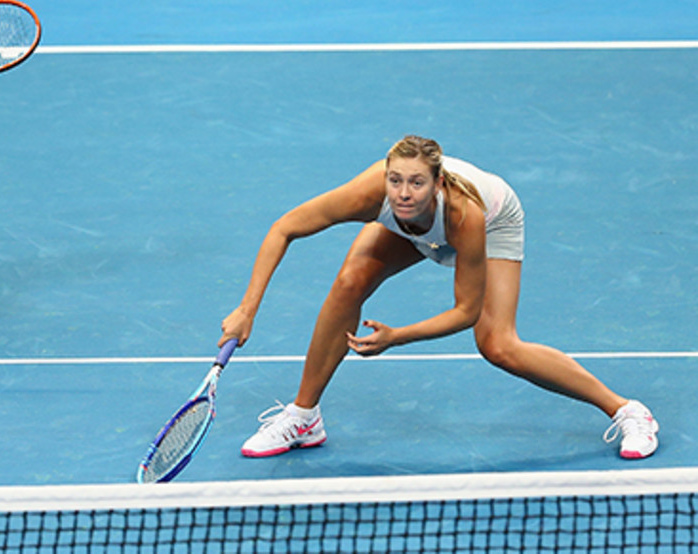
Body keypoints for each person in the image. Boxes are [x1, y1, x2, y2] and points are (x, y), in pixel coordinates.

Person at [219, 135, 659, 460]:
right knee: (351, 281)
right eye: (395, 181)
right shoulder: (377, 193)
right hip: (417, 231)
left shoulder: (467, 215)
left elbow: (466, 311)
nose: (404, 193)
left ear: (437, 181)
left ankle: (627, 410)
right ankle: (304, 415)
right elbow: (285, 228)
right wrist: (246, 308)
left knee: (499, 345)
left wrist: (397, 337)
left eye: (415, 183)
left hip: (496, 223)